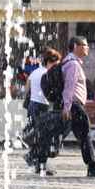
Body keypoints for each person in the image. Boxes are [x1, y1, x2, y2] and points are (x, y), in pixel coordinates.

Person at [58, 36, 95, 178]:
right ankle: (92, 166)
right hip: (74, 105)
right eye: (85, 45)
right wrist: (67, 107)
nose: (88, 48)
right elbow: (69, 87)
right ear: (75, 46)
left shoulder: (70, 62)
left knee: (64, 133)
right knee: (85, 134)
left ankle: (36, 156)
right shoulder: (73, 64)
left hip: (72, 105)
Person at [24, 47, 61, 176]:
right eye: (55, 64)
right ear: (50, 62)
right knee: (44, 136)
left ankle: (36, 161)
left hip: (32, 105)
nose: (57, 67)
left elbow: (27, 88)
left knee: (37, 135)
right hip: (42, 106)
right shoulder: (47, 73)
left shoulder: (35, 72)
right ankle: (35, 159)